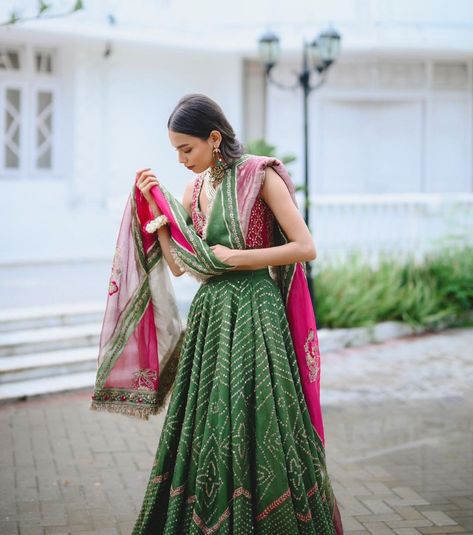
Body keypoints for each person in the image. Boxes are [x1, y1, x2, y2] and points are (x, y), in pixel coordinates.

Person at [90, 94, 343, 534]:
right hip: (211, 318)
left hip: (255, 313)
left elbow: (306, 247)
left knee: (260, 420)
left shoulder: (259, 176)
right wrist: (160, 215)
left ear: (213, 137)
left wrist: (235, 258)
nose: (182, 160)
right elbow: (179, 265)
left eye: (187, 149)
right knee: (209, 425)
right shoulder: (194, 190)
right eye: (175, 152)